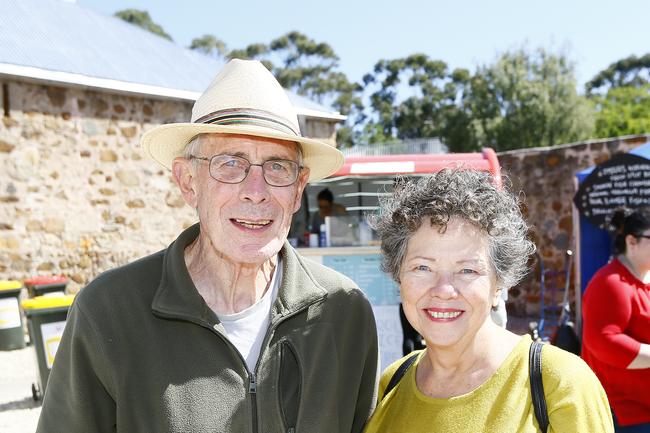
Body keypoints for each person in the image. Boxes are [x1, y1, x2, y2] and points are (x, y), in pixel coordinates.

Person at [36, 59, 379, 433]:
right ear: (188, 181)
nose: (256, 192)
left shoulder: (344, 311)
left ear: (298, 189)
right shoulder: (109, 312)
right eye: (230, 163)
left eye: (278, 167)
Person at [363, 169, 613, 432]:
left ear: (499, 285)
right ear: (399, 275)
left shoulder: (559, 383)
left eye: (467, 270)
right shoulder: (392, 383)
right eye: (423, 267)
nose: (443, 289)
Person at [582, 206, 650, 432]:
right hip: (626, 414)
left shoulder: (644, 279)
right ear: (632, 241)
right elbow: (605, 342)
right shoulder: (611, 282)